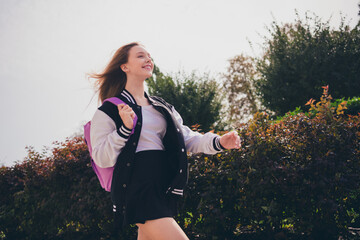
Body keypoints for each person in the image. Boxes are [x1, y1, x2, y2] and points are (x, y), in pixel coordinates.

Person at [89, 42, 241, 240]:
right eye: (140, 56)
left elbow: (186, 138)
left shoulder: (162, 107)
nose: (148, 59)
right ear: (124, 66)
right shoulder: (108, 110)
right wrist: (124, 129)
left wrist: (219, 142)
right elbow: (101, 158)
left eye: (149, 56)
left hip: (163, 185)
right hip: (138, 185)